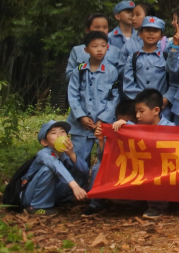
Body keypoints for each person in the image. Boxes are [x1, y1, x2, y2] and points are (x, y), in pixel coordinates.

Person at [112, 89, 173, 218]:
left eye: (141, 111)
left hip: (164, 171)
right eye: (136, 111)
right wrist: (126, 127)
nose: (138, 115)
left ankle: (157, 207)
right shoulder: (134, 127)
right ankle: (139, 202)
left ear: (156, 110)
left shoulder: (171, 128)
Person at [67, 31, 119, 167]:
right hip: (80, 125)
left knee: (106, 160)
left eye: (103, 46)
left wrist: (103, 119)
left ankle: (99, 186)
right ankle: (78, 186)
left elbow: (115, 97)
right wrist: (81, 116)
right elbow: (72, 94)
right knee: (78, 160)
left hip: (104, 125)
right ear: (86, 50)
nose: (99, 49)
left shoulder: (112, 71)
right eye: (94, 46)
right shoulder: (79, 70)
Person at [21, 121, 89, 215]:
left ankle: (63, 199)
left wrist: (72, 154)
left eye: (62, 131)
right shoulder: (43, 154)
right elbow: (55, 165)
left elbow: (85, 171)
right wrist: (75, 186)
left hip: (53, 191)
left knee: (78, 171)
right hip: (30, 195)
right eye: (53, 133)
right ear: (45, 142)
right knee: (48, 169)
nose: (59, 135)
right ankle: (35, 207)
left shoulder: (65, 154)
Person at [85, 99, 135, 214]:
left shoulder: (142, 131)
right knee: (98, 167)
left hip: (135, 168)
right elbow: (103, 158)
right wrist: (101, 141)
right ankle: (96, 204)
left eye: (127, 121)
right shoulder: (114, 131)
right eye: (120, 121)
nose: (123, 124)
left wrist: (129, 125)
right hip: (118, 168)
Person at [122, 17, 173, 112]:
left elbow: (174, 83)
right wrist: (145, 100)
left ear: (162, 36)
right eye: (148, 30)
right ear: (140, 34)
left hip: (162, 109)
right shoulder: (132, 58)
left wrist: (166, 98)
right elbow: (128, 85)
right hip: (139, 109)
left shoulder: (166, 57)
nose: (151, 33)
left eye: (155, 31)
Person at [66, 13, 126, 80]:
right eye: (97, 27)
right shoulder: (77, 50)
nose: (101, 30)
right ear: (87, 30)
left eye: (105, 27)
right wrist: (84, 73)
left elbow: (121, 75)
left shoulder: (116, 51)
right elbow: (68, 75)